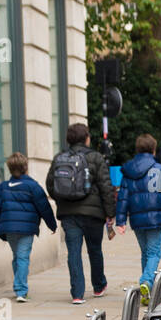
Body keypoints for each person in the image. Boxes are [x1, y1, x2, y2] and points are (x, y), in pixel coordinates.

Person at [46, 122, 116, 303]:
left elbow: (50, 184)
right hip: (93, 214)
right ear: (86, 138)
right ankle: (99, 286)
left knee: (73, 252)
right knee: (95, 249)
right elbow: (105, 186)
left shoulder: (59, 157)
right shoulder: (95, 157)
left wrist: (63, 199)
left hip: (69, 214)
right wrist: (110, 212)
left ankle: (77, 293)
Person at [114, 134, 161, 304]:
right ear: (153, 149)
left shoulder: (128, 171)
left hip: (136, 218)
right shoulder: (159, 169)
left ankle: (147, 291)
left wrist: (121, 220)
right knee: (154, 252)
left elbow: (123, 196)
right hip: (155, 217)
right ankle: (146, 281)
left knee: (146, 252)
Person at [0, 151, 57, 301]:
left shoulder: (3, 187)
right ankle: (21, 290)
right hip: (27, 229)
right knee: (22, 257)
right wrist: (52, 225)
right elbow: (44, 207)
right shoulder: (33, 186)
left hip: (9, 229)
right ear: (26, 167)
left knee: (18, 257)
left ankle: (19, 286)